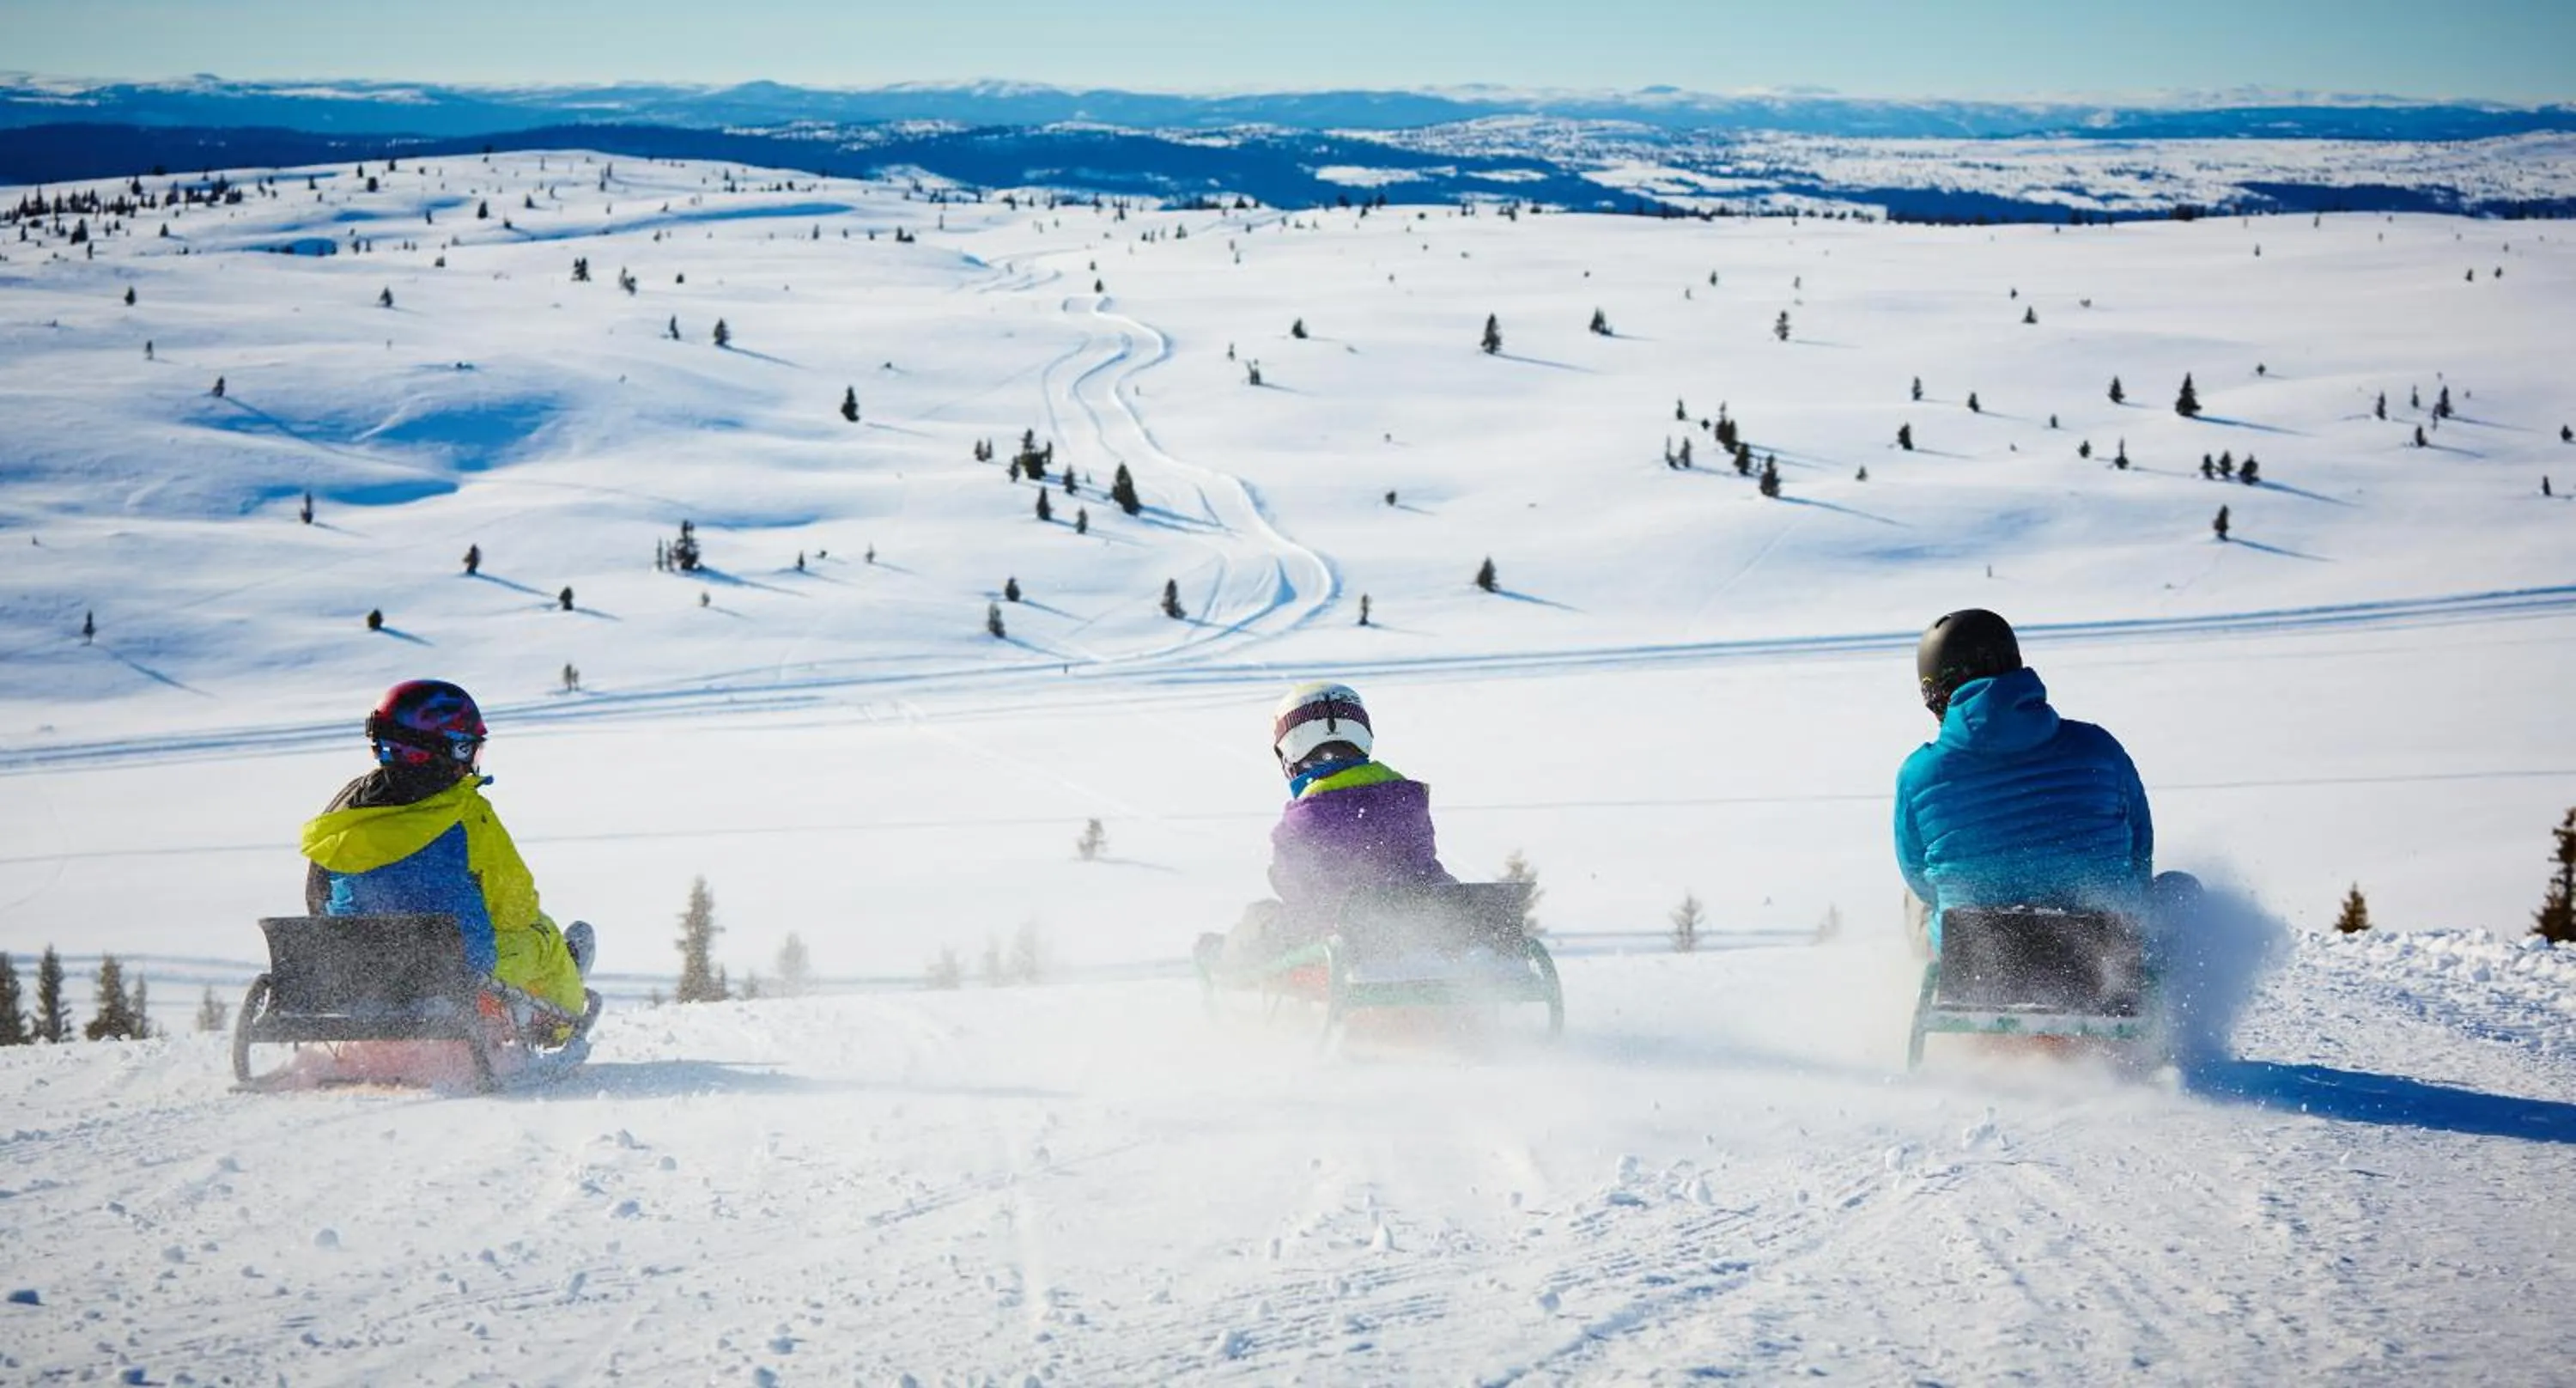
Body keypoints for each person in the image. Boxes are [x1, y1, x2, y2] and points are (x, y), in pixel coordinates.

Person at [301, 679, 590, 1021]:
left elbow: (316, 897)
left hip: (359, 979)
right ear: (445, 751)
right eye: (469, 749)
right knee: (542, 937)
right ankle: (555, 1026)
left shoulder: (343, 816)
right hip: (459, 979)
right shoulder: (463, 814)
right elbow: (515, 905)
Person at [1893, 610, 2153, 953]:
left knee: (1918, 905)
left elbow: (1918, 875)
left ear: (1939, 694)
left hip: (1977, 963)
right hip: (2104, 958)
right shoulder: (2098, 748)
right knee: (2181, 889)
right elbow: (2139, 853)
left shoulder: (1919, 773)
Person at [1208, 681, 1456, 972]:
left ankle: (1222, 957)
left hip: (1341, 948)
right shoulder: (1406, 800)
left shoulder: (1303, 823)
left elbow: (1301, 906)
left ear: (1290, 749)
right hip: (1418, 927)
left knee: (1259, 917)